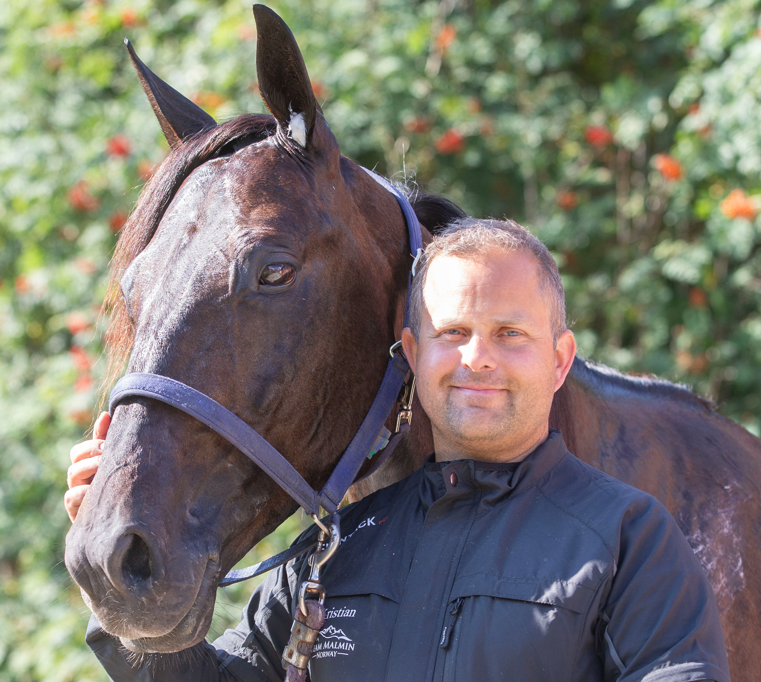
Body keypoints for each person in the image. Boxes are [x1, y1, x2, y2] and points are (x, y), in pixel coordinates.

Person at [65, 218, 731, 682]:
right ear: (414, 355)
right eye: (453, 331)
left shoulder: (628, 539)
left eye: (509, 334)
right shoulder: (339, 546)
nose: (477, 357)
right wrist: (125, 576)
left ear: (559, 360)